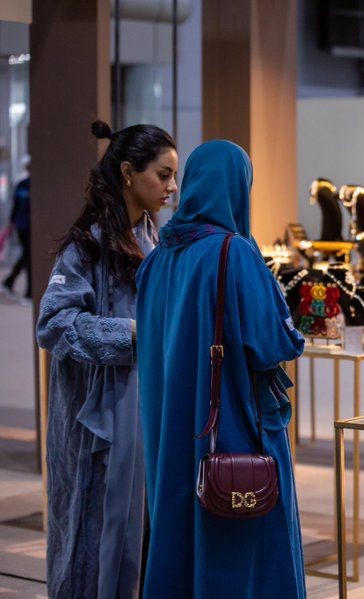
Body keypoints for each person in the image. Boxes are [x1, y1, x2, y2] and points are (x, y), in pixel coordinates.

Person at [136, 140, 306, 597]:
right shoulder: (234, 253)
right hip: (231, 424)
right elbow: (274, 344)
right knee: (242, 544)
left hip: (170, 430)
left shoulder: (156, 259)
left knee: (177, 529)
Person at [35, 120, 177, 598]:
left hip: (144, 409)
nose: (171, 187)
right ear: (129, 172)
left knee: (139, 530)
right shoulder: (88, 244)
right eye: (162, 175)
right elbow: (54, 323)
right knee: (92, 530)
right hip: (98, 420)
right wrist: (131, 334)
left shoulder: (155, 239)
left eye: (174, 176)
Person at [3, 157, 31, 298]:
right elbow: (16, 206)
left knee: (27, 256)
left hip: (31, 227)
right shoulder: (22, 185)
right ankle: (27, 291)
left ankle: (10, 281)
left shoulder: (34, 185)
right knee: (27, 256)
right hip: (23, 226)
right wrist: (11, 223)